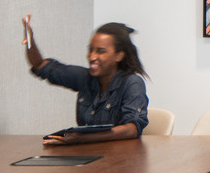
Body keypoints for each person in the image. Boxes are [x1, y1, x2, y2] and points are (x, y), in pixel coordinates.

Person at [23, 16, 149, 145]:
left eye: (100, 51)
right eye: (90, 50)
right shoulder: (85, 77)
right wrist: (30, 43)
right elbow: (40, 66)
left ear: (119, 55)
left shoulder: (132, 83)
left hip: (121, 155)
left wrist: (82, 138)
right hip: (88, 153)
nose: (92, 57)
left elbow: (131, 129)